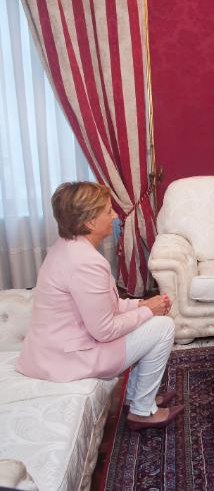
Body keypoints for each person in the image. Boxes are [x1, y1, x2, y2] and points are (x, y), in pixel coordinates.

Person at [16, 182, 183, 431]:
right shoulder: (85, 262)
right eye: (108, 211)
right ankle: (142, 411)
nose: (115, 215)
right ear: (90, 223)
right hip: (70, 357)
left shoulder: (67, 248)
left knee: (153, 319)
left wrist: (141, 304)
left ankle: (136, 398)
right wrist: (149, 311)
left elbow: (105, 305)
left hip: (59, 347)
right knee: (163, 326)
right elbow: (104, 329)